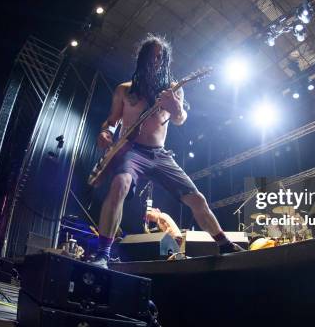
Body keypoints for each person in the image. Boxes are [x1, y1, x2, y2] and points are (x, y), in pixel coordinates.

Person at [92, 34, 243, 268]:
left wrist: (175, 107)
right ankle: (102, 254)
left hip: (160, 154)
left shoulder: (173, 90)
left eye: (160, 58)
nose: (156, 62)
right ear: (142, 60)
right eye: (151, 57)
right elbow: (111, 121)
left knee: (197, 198)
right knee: (119, 184)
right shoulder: (124, 90)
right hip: (131, 151)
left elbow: (180, 119)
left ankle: (224, 243)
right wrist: (106, 132)